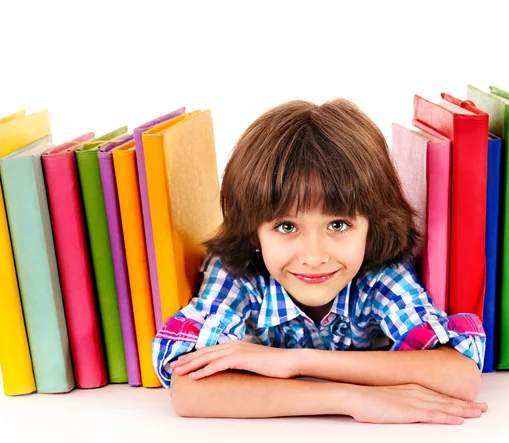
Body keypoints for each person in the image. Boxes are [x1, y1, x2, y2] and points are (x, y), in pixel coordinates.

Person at [152, 98, 487, 424]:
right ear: (253, 231)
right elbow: (188, 389)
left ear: (372, 225)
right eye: (286, 226)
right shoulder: (236, 271)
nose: (314, 257)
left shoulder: (380, 273)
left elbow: (460, 377)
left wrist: (295, 362)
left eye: (338, 225)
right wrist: (349, 399)